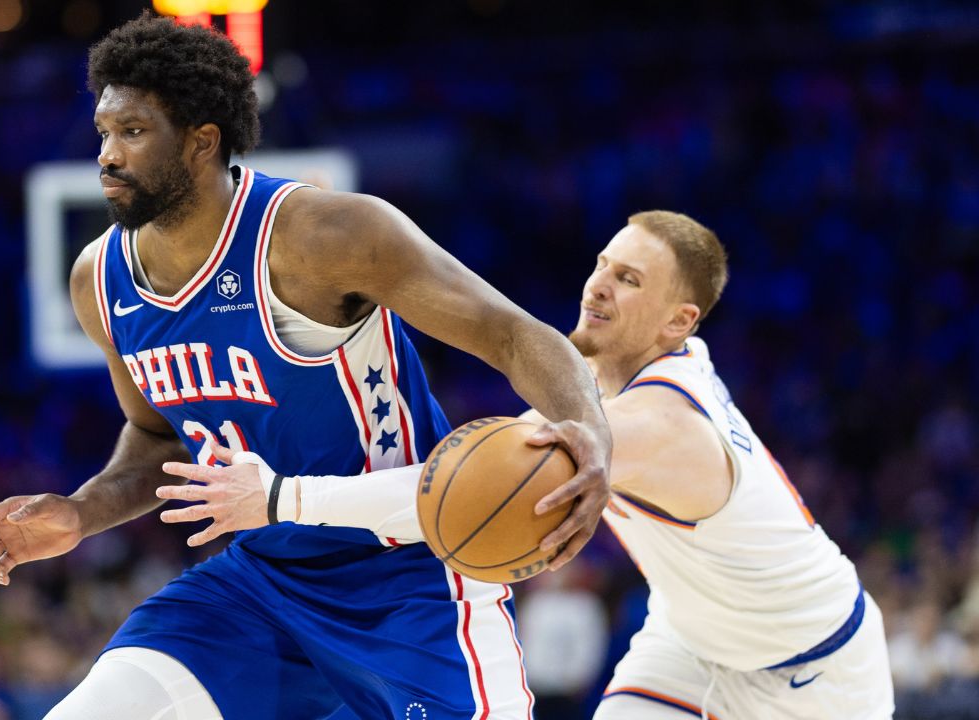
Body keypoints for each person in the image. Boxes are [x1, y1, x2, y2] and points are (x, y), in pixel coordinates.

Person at [0, 13, 612, 720]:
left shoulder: (324, 236)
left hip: (408, 576)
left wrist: (591, 437)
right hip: (259, 587)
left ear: (201, 143)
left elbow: (515, 336)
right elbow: (156, 439)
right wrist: (82, 512)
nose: (108, 156)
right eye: (104, 134)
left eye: (134, 133)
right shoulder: (99, 280)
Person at [171, 211, 894, 719]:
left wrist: (280, 499)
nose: (600, 285)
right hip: (690, 641)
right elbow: (448, 486)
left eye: (631, 280)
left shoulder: (659, 424)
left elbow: (436, 498)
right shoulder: (601, 391)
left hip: (818, 668)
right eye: (603, 264)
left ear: (680, 323)